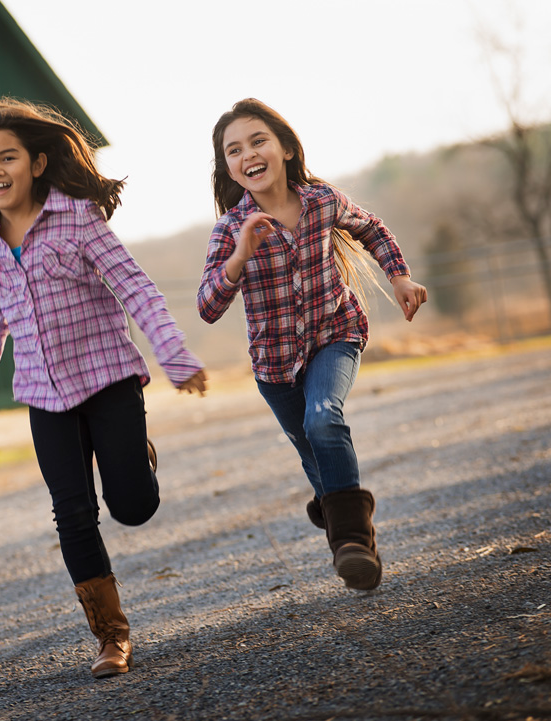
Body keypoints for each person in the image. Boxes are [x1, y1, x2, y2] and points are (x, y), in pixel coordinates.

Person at [0, 98, 207, 678]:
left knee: (133, 507)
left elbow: (137, 289)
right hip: (43, 396)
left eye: (7, 157)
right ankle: (111, 637)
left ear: (35, 163)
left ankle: (137, 459)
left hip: (108, 379)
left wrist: (175, 356)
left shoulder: (78, 216)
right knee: (72, 514)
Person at [197, 99, 427, 591]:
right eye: (233, 150)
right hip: (275, 366)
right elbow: (208, 305)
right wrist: (240, 254)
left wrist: (400, 278)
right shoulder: (229, 230)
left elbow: (370, 227)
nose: (248, 154)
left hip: (335, 335)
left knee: (323, 418)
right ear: (229, 168)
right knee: (312, 452)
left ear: (284, 148)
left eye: (258, 141)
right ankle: (341, 517)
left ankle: (352, 545)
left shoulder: (321, 201)